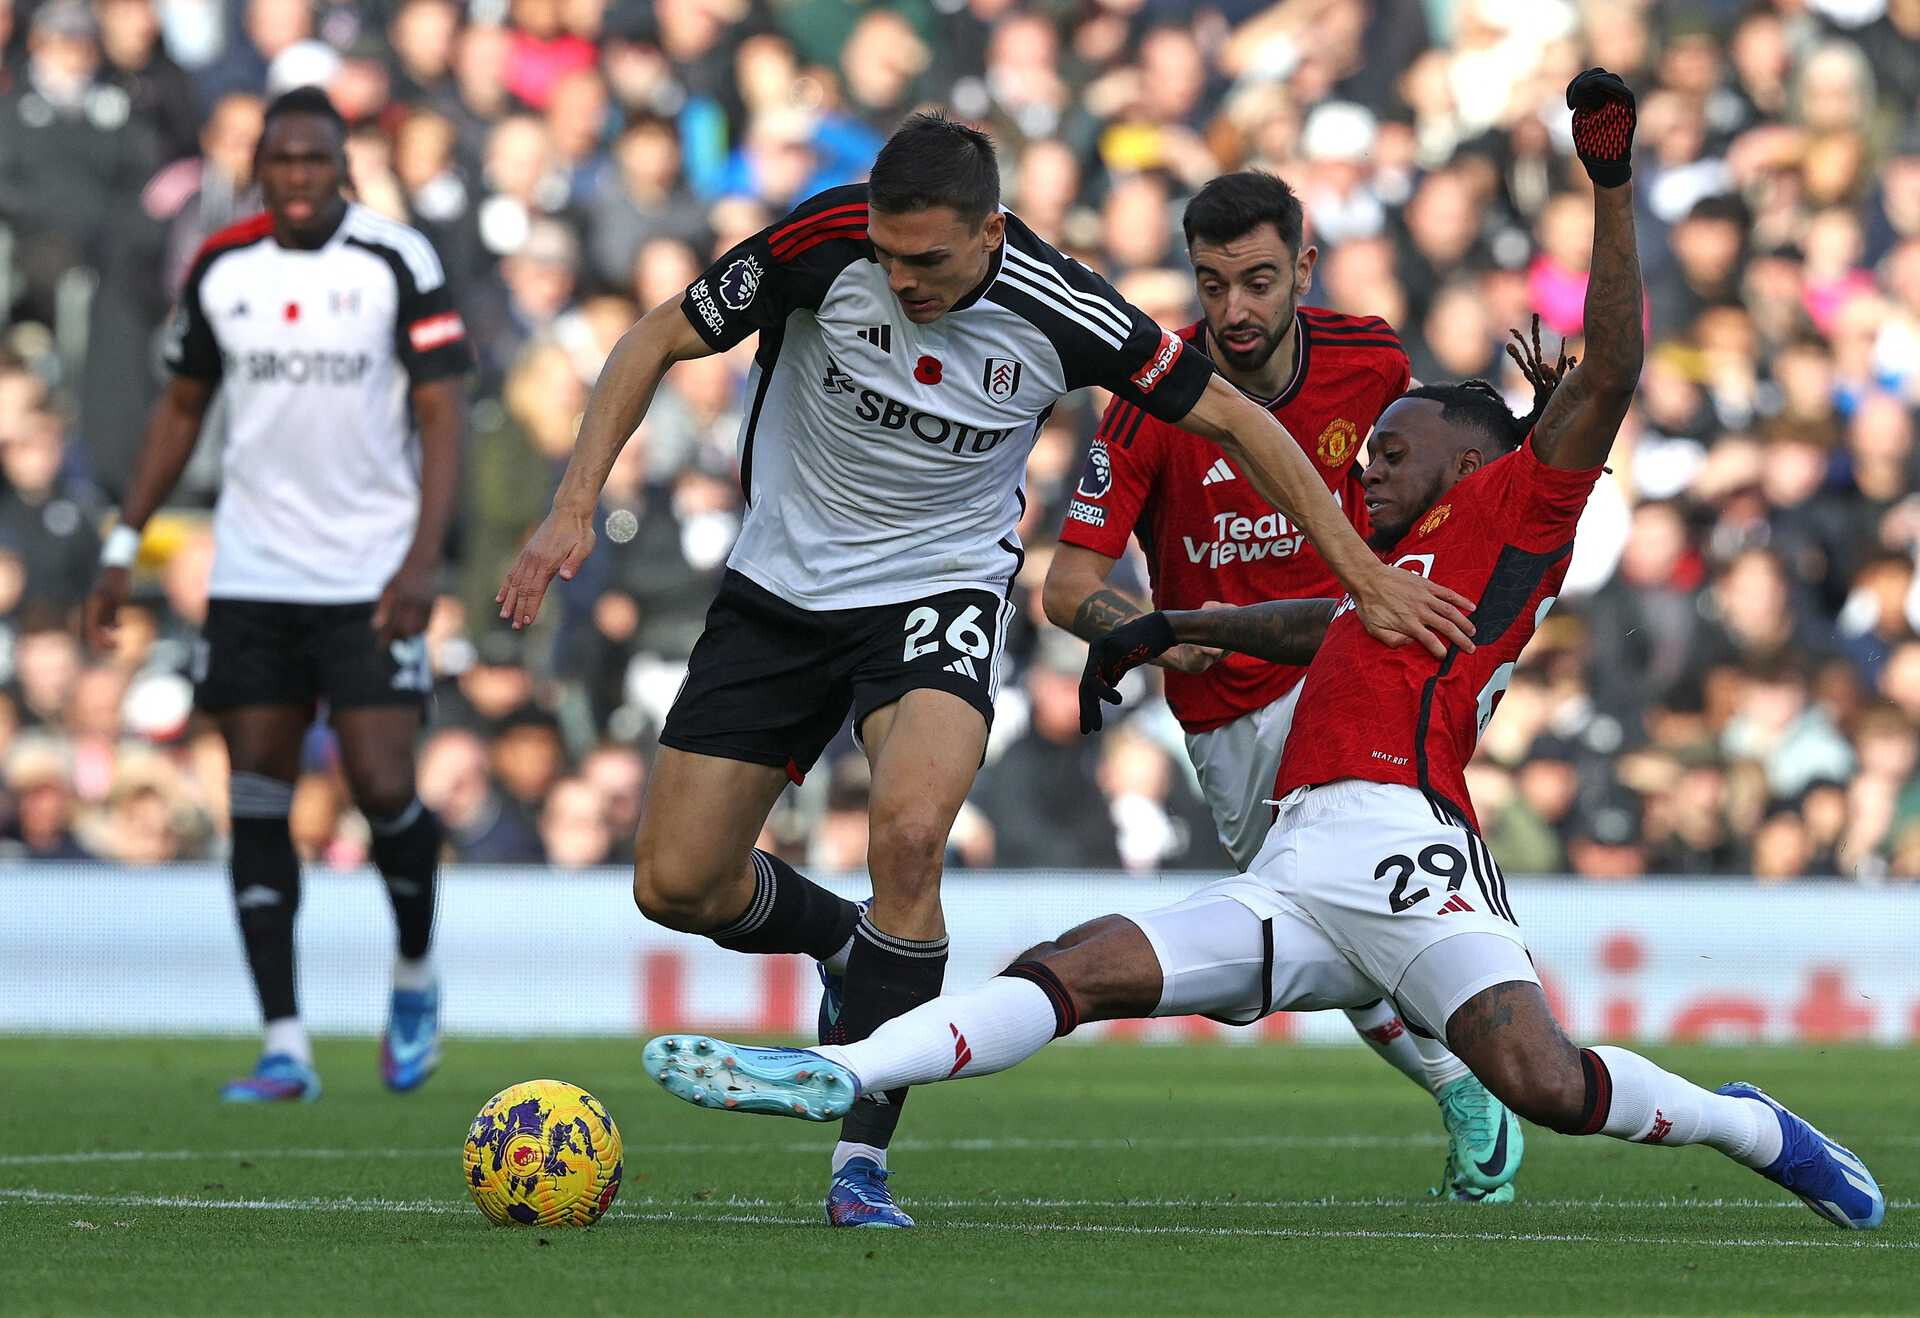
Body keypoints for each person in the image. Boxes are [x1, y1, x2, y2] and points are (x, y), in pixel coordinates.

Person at [636, 73, 1887, 1233]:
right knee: (1075, 970)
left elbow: (1609, 366)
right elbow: (1300, 614)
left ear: (1474, 459)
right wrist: (1171, 626)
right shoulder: (1346, 560)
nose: (1364, 467)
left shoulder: (1510, 521)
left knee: (1548, 1082)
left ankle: (1742, 1121)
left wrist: (1609, 191)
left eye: (1395, 450)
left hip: (1409, 854)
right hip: (1291, 846)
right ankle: (840, 1069)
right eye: (1368, 445)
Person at [496, 112, 1475, 1228]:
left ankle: (859, 1164)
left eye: (930, 258)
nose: (900, 275)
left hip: (938, 591)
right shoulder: (822, 242)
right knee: (676, 884)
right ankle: (837, 942)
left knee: (911, 837)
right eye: (887, 251)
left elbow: (1241, 420)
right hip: (778, 587)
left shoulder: (1068, 307)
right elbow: (654, 339)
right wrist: (571, 506)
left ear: (991, 231)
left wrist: (1362, 573)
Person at [1041, 169, 1518, 1201]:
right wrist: (1158, 636)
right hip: (1230, 720)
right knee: (1338, 940)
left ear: (1303, 266)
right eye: (1212, 285)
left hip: (1354, 668)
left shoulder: (1371, 357)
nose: (1235, 310)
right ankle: (1466, 1074)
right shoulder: (1148, 394)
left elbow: (1441, 491)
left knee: (1369, 894)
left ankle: (1500, 1066)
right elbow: (1068, 584)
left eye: (1258, 281)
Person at [83, 87, 472, 1103]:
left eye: (316, 158)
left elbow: (441, 413)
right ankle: (285, 1040)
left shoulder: (397, 260)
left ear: (343, 164)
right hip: (254, 572)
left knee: (385, 782)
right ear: (257, 167)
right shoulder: (222, 267)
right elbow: (179, 408)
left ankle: (416, 969)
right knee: (256, 787)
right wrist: (124, 541)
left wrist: (424, 558)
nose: (298, 174)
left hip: (369, 572)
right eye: (281, 159)